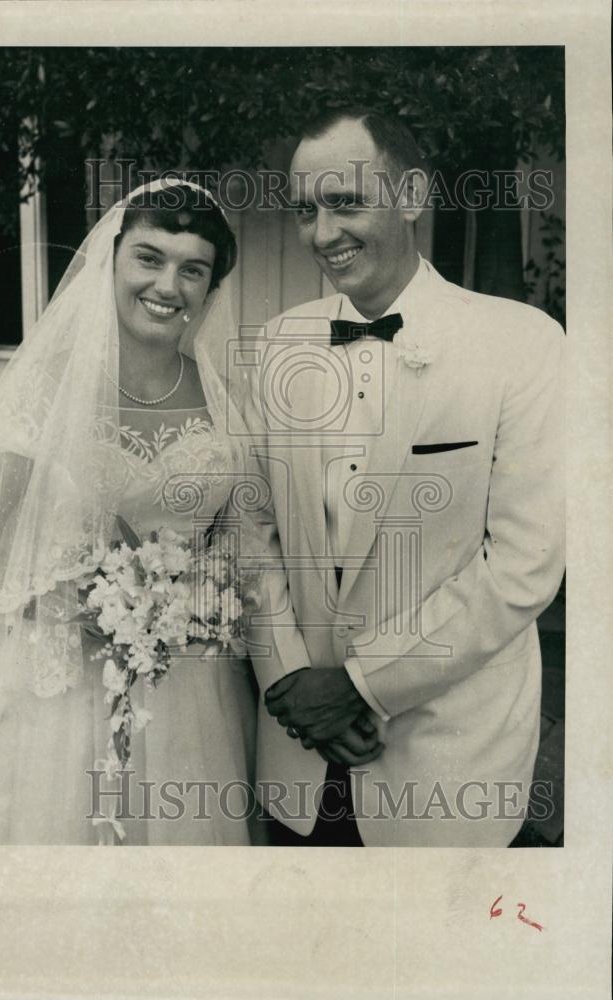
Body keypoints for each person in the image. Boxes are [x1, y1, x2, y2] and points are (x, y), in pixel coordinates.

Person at [245, 108, 565, 847]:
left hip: (445, 760)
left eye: (346, 202)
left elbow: (525, 564)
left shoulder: (521, 344)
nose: (323, 234)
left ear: (413, 195)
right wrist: (288, 681)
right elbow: (251, 530)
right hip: (300, 758)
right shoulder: (277, 343)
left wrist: (360, 686)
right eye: (305, 210)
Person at [0, 180, 262, 845]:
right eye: (150, 257)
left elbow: (242, 551)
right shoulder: (44, 389)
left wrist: (197, 601)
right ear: (110, 262)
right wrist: (69, 599)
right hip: (60, 683)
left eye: (192, 269)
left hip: (190, 688)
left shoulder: (225, 400)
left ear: (210, 288)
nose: (169, 285)